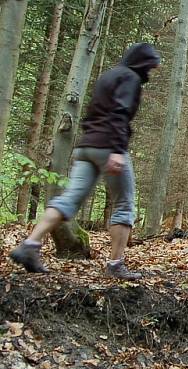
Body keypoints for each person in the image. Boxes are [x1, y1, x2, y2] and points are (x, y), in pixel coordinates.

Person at [9, 43, 161, 280]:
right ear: (142, 62)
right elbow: (119, 112)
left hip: (86, 146)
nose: (151, 72)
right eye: (151, 66)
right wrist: (118, 150)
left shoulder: (109, 75)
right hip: (109, 146)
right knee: (124, 204)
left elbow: (95, 111)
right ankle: (115, 265)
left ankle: (29, 245)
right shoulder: (130, 78)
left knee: (69, 199)